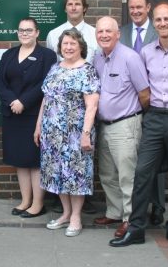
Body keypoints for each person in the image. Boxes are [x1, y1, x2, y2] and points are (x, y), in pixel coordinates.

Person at [110, 2, 168, 249]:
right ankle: (137, 228)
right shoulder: (146, 52)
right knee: (142, 173)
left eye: (167, 19)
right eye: (159, 20)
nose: (162, 23)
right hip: (154, 118)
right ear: (154, 21)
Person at [34, 28, 100, 237]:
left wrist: (86, 133)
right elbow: (46, 99)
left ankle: (76, 217)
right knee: (58, 174)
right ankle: (65, 213)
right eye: (65, 44)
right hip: (51, 133)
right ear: (60, 48)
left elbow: (92, 106)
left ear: (81, 46)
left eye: (73, 43)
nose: (69, 47)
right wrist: (38, 127)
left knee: (76, 174)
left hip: (75, 134)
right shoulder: (55, 68)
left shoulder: (87, 70)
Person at [93, 17, 150, 239]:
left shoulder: (130, 57)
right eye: (100, 31)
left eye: (109, 31)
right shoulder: (98, 57)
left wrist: (132, 114)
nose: (104, 35)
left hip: (126, 124)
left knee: (128, 176)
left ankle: (130, 219)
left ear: (118, 34)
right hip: (104, 126)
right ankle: (115, 212)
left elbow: (145, 94)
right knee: (107, 174)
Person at [0, 18, 57, 218]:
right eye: (21, 30)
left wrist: (24, 101)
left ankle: (38, 204)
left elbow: (45, 83)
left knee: (35, 160)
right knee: (19, 160)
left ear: (37, 33)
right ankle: (25, 201)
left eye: (29, 30)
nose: (25, 33)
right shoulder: (9, 54)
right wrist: (13, 100)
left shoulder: (47, 55)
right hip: (12, 114)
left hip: (34, 115)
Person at [45, 0, 98, 214]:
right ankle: (64, 206)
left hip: (83, 109)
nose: (74, 7)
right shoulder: (53, 34)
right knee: (58, 163)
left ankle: (81, 205)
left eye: (78, 4)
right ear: (65, 8)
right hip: (56, 120)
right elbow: (54, 68)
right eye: (70, 4)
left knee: (81, 163)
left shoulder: (96, 34)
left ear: (84, 8)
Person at [119, 0, 165, 226]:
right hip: (128, 105)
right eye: (131, 8)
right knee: (133, 160)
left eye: (139, 7)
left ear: (148, 7)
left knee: (154, 160)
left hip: (154, 104)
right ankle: (133, 208)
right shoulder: (123, 32)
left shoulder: (160, 31)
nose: (135, 11)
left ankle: (157, 206)